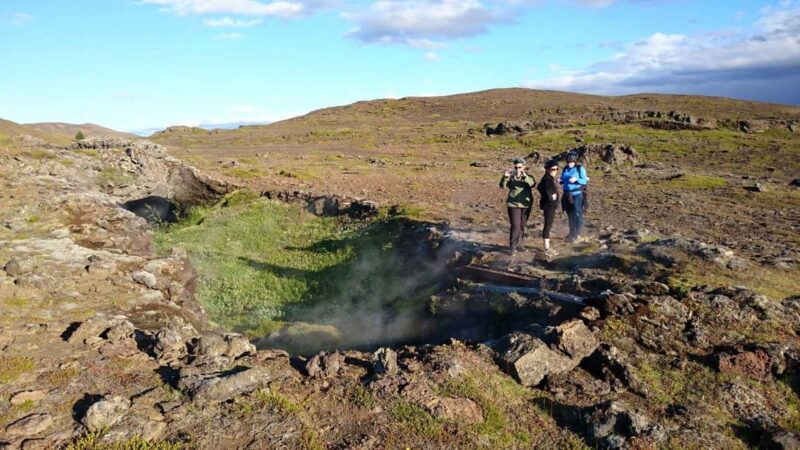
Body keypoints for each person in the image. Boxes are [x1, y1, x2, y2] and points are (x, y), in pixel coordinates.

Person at [500, 157, 535, 254]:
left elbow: (532, 184)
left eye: (519, 167)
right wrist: (505, 177)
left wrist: (525, 177)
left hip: (526, 204)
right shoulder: (510, 177)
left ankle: (520, 245)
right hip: (513, 204)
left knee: (522, 225)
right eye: (516, 167)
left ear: (524, 167)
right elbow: (502, 186)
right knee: (515, 225)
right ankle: (513, 247)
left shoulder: (529, 176)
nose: (517, 169)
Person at [559, 152, 588, 242]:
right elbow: (563, 179)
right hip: (567, 194)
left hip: (577, 194)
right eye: (568, 161)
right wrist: (560, 180)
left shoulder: (579, 168)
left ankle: (577, 234)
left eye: (571, 161)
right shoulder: (565, 169)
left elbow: (584, 181)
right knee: (570, 215)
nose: (569, 163)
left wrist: (577, 179)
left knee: (577, 213)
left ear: (575, 161)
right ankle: (571, 233)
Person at [536, 160, 560, 256]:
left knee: (548, 225)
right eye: (552, 169)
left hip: (548, 205)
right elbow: (546, 188)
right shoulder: (547, 179)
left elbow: (539, 187)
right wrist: (551, 196)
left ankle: (547, 246)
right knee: (548, 225)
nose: (555, 171)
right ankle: (547, 248)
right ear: (546, 169)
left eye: (556, 169)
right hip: (549, 206)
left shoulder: (548, 178)